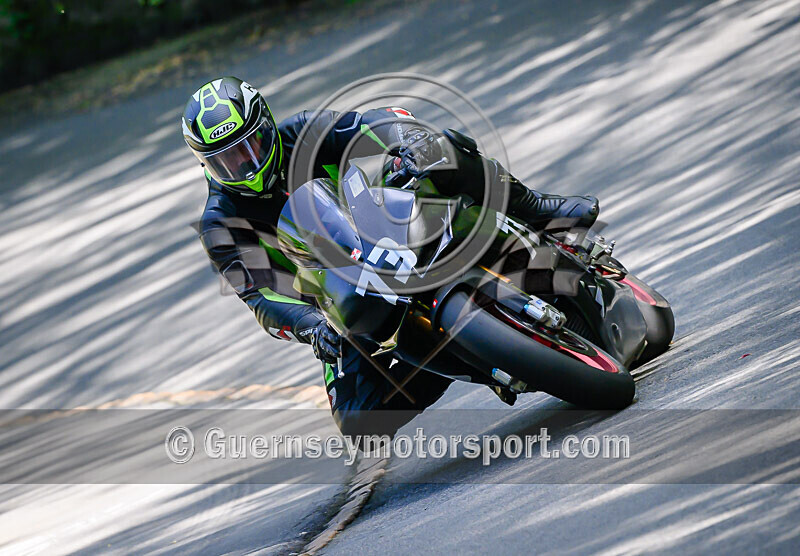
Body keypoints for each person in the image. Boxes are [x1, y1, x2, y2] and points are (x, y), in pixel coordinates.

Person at [182, 76, 598, 437]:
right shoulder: (220, 223)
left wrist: (408, 140)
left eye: (249, 145)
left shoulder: (305, 132)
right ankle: (464, 355)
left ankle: (538, 209)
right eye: (226, 160)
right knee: (357, 420)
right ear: (205, 165)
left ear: (267, 125)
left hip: (386, 224)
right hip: (340, 297)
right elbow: (261, 297)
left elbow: (376, 122)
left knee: (442, 149)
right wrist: (311, 327)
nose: (245, 163)